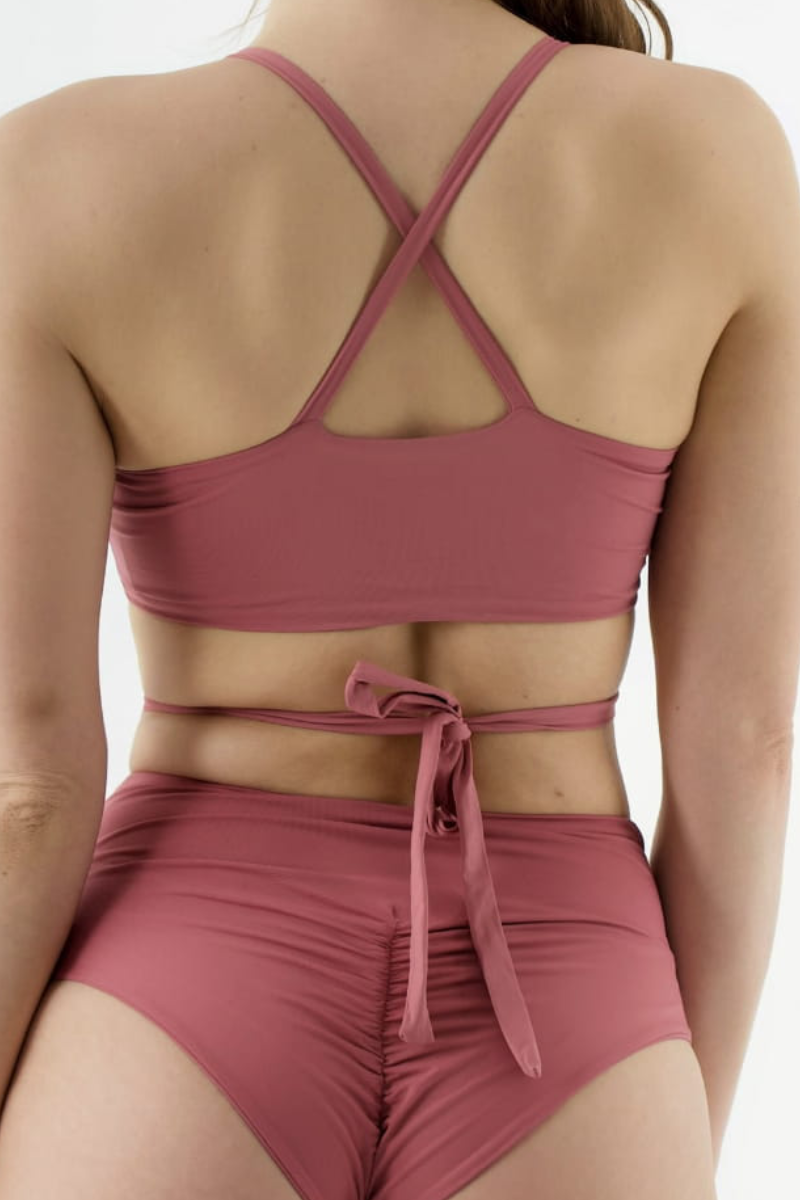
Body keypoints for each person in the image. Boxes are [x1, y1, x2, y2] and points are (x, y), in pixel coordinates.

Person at [0, 0, 798, 1197]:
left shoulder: (59, 169)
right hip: (569, 999)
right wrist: (672, 1104)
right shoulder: (713, 152)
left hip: (174, 996)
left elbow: (32, 788)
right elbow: (745, 746)